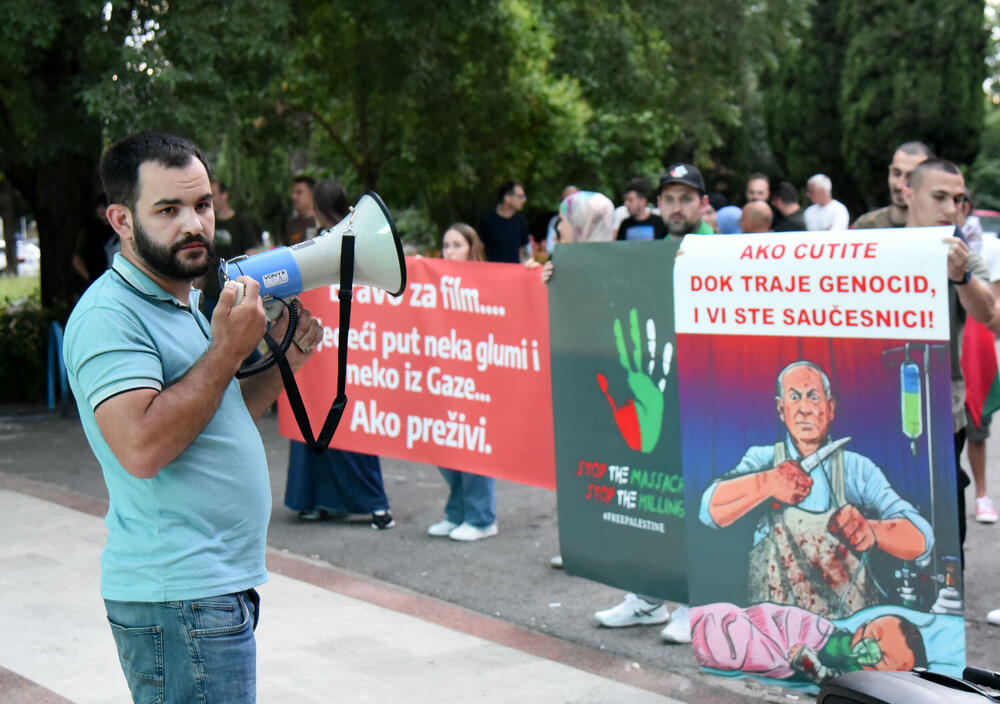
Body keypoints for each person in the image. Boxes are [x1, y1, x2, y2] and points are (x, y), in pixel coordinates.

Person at [62, 131, 324, 703]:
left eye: (202, 205)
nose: (193, 224)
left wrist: (284, 361)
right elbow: (143, 446)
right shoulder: (110, 316)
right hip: (180, 593)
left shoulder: (179, 299)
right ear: (121, 220)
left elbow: (210, 413)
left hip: (209, 588)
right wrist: (228, 350)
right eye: (168, 209)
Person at [700, 361, 933, 618]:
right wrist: (766, 483)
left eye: (813, 397)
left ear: (830, 407)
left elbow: (922, 537)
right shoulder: (762, 460)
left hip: (848, 631)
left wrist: (872, 530)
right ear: (781, 408)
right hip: (775, 630)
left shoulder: (857, 469)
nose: (804, 410)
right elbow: (708, 512)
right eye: (794, 397)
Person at [283, 178, 394, 529]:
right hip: (324, 343)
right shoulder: (316, 239)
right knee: (319, 416)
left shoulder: (345, 241)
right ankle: (320, 500)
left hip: (344, 343)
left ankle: (371, 502)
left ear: (318, 205)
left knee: (346, 422)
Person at [903, 158, 995, 561]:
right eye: (939, 197)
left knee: (944, 522)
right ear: (909, 194)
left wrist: (960, 278)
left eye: (957, 199)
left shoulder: (960, 254)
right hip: (873, 403)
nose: (949, 209)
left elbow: (988, 313)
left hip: (943, 407)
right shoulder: (876, 247)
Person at [426, 223, 498, 541]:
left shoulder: (487, 282)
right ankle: (457, 513)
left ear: (472, 248)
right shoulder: (434, 283)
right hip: (444, 377)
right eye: (446, 245)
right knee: (447, 448)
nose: (450, 251)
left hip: (476, 379)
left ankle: (482, 518)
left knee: (472, 449)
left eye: (457, 244)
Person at [691, 602, 927, 685]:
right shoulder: (819, 629)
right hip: (760, 629)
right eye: (873, 633)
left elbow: (829, 678)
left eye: (883, 658)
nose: (868, 648)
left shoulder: (856, 676)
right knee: (730, 635)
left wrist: (815, 669)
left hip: (778, 654)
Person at [957, 193, 1000, 524]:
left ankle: (982, 494)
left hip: (976, 345)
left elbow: (992, 313)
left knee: (977, 430)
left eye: (955, 202)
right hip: (946, 349)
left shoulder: (989, 248)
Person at [200, 179, 261, 317]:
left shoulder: (241, 222)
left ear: (224, 195)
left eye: (213, 194)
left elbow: (251, 256)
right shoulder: (207, 224)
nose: (210, 200)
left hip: (236, 293)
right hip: (212, 293)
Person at [853, 141, 934, 229]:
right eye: (896, 174)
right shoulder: (866, 225)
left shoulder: (938, 226)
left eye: (910, 176)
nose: (900, 185)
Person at [657, 163, 714, 238]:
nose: (676, 209)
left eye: (686, 199)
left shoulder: (718, 247)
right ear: (659, 203)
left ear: (703, 204)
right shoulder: (659, 247)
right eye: (669, 199)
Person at [478, 180, 530, 263]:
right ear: (507, 198)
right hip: (491, 272)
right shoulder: (487, 220)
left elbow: (522, 250)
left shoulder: (521, 221)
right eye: (520, 196)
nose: (524, 200)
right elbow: (479, 249)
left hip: (514, 272)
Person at [72, 194, 117, 287]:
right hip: (98, 281)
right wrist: (91, 279)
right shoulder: (89, 231)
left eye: (105, 206)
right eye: (99, 207)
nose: (101, 210)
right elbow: (77, 259)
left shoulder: (120, 229)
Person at [282, 175, 318, 245]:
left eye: (299, 192)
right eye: (293, 193)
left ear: (312, 194)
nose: (293, 197)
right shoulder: (292, 226)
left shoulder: (323, 221)